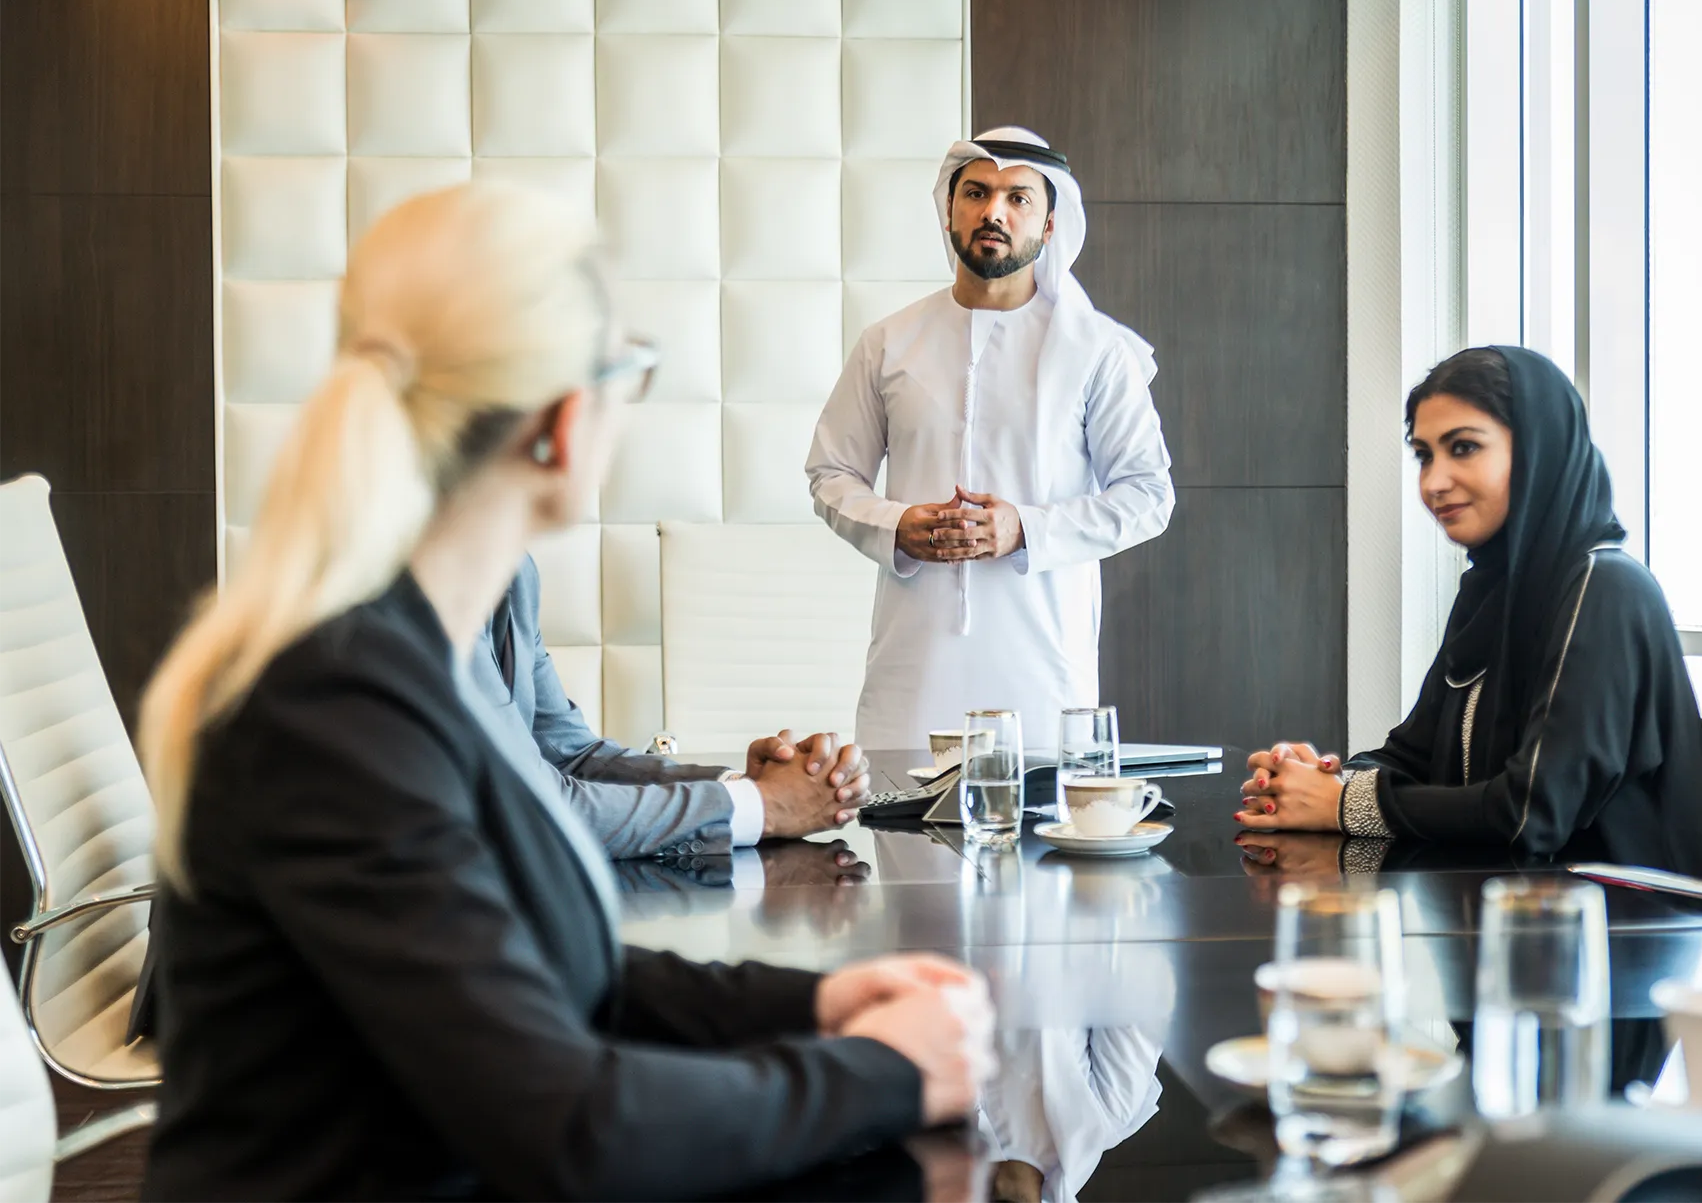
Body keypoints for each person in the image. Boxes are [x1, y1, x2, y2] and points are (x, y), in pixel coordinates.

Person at [135, 181, 994, 1201]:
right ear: (562, 419)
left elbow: (545, 966)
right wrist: (890, 1069)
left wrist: (820, 1004)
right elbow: (573, 1128)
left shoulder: (424, 647)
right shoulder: (338, 704)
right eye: (630, 371)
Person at [1238, 347, 1702, 879]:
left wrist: (1342, 804)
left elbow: (1532, 811)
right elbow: (1413, 755)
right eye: (1425, 455)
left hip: (1627, 933)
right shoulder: (1494, 588)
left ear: (1541, 450)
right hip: (1516, 911)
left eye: (1464, 448)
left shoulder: (1604, 589)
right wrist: (1316, 779)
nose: (1433, 483)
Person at [806, 128, 1174, 750]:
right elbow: (831, 474)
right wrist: (896, 524)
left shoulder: (1095, 351)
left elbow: (1147, 496)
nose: (993, 211)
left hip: (1044, 674)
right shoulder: (888, 343)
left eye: (1018, 198)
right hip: (911, 673)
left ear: (1050, 225)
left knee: (1045, 844)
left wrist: (1022, 529)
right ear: (949, 210)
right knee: (905, 838)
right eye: (975, 192)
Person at [478, 553, 869, 858]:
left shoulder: (514, 569)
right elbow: (531, 808)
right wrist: (765, 804)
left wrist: (743, 787)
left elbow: (571, 755)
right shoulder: (428, 588)